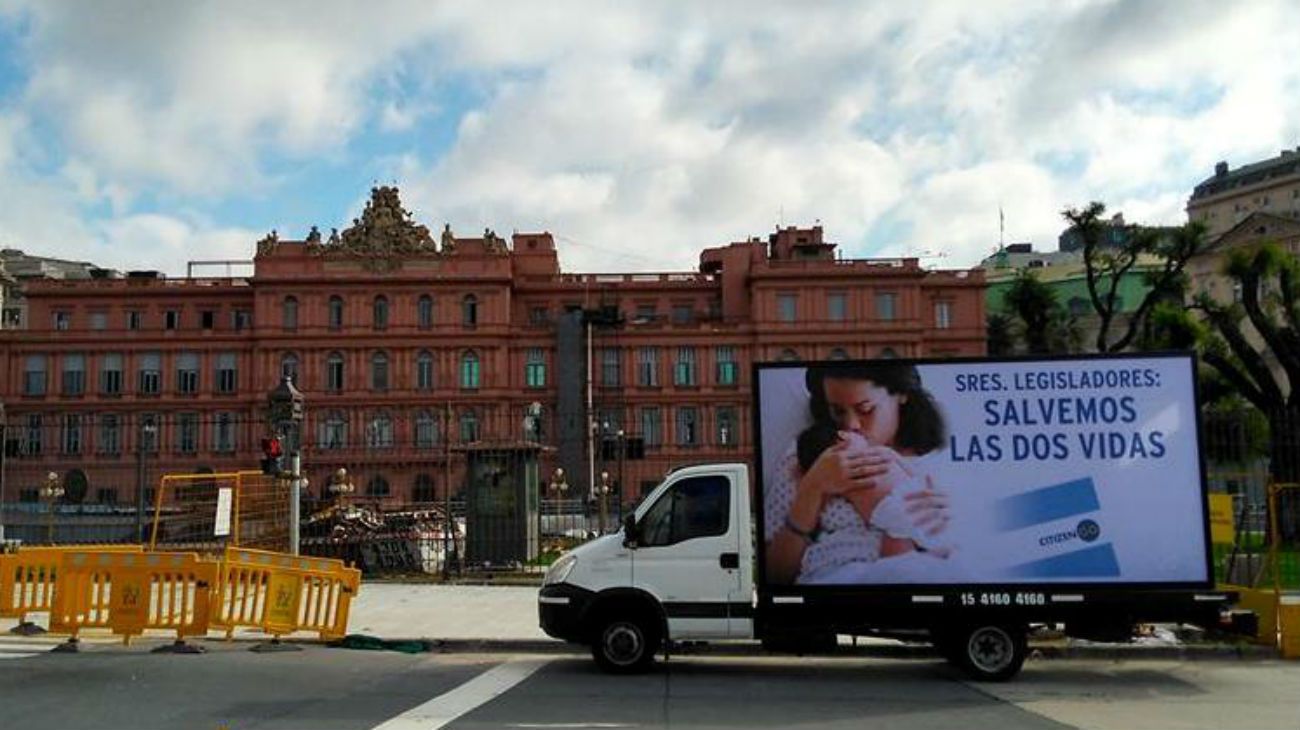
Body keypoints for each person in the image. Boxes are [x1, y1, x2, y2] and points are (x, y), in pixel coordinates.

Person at [765, 361, 951, 585]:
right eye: (838, 411)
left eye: (865, 409)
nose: (850, 424)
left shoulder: (941, 458)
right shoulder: (812, 453)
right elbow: (773, 576)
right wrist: (812, 489)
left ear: (901, 394)